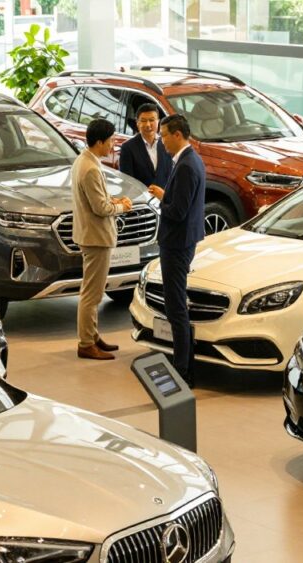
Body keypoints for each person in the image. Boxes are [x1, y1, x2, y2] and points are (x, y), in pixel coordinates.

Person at [148, 114, 205, 384]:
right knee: (176, 305)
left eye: (164, 135)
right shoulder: (189, 160)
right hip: (183, 241)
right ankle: (185, 366)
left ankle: (182, 370)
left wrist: (162, 200)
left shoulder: (185, 165)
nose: (161, 140)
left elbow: (178, 211)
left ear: (178, 134)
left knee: (176, 308)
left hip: (176, 243)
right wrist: (166, 195)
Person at [71, 118, 133, 360]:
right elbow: (100, 208)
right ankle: (86, 343)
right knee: (92, 294)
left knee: (92, 290)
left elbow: (95, 200)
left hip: (89, 234)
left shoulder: (84, 160)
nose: (113, 145)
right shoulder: (91, 168)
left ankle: (93, 335)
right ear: (99, 142)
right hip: (96, 237)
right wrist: (122, 208)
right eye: (111, 141)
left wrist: (114, 201)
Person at [119, 103, 173, 191]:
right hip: (141, 201)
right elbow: (126, 182)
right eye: (143, 120)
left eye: (152, 120)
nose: (148, 125)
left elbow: (170, 175)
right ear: (137, 123)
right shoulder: (128, 148)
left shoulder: (166, 143)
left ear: (158, 121)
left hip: (163, 200)